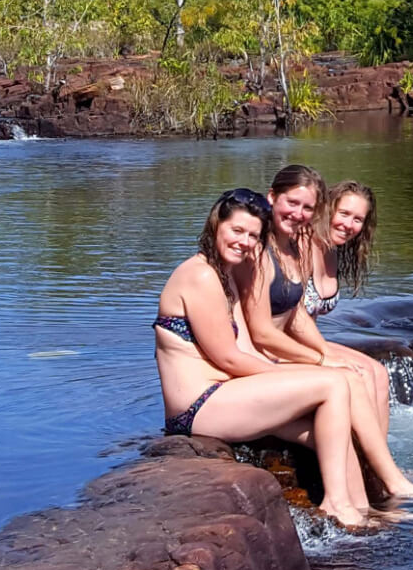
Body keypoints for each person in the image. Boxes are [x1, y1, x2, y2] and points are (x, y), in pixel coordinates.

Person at [154, 188, 376, 528]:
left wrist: (291, 374)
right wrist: (298, 373)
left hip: (227, 395)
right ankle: (335, 503)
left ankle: (360, 509)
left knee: (330, 429)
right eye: (236, 230)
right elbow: (228, 358)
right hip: (197, 408)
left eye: (253, 235)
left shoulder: (226, 273)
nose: (243, 241)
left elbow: (244, 348)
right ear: (216, 225)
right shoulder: (199, 275)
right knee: (332, 382)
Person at [248, 167, 413, 501]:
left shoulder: (334, 249)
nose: (349, 225)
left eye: (358, 219)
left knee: (377, 372)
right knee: (356, 375)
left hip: (301, 338)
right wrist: (324, 357)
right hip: (279, 345)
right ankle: (386, 477)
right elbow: (285, 317)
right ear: (327, 210)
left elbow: (301, 319)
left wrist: (325, 352)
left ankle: (377, 467)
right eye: (344, 214)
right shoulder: (299, 244)